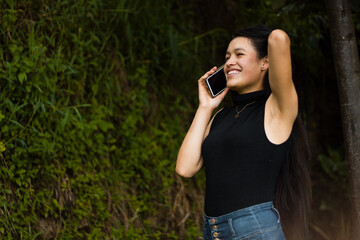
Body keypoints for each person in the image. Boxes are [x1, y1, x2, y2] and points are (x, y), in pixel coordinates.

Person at [176, 25, 311, 240]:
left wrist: (261, 40)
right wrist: (205, 106)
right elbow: (185, 168)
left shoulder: (276, 109)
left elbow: (279, 38)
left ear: (265, 62)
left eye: (239, 54)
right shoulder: (220, 117)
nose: (229, 62)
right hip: (213, 231)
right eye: (227, 56)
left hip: (254, 230)